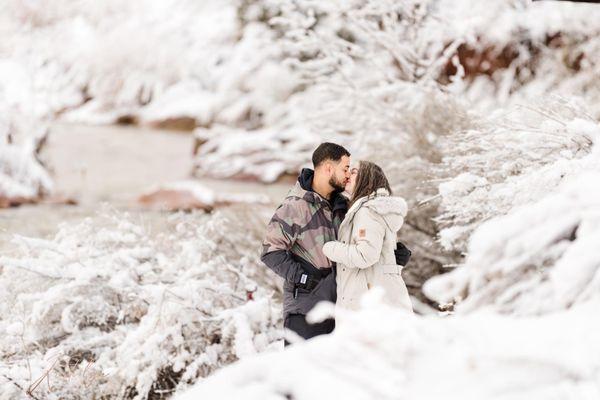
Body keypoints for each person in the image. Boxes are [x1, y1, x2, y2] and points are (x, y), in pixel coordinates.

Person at [261, 142, 351, 344]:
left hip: (341, 309)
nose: (348, 174)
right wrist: (304, 278)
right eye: (344, 168)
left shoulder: (342, 205)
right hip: (305, 311)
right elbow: (270, 251)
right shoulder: (295, 206)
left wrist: (391, 252)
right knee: (300, 374)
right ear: (329, 167)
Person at [322, 161, 413, 312]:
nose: (348, 175)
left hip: (369, 302)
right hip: (381, 297)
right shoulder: (375, 210)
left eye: (354, 172)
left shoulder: (368, 211)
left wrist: (329, 248)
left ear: (367, 178)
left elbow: (365, 255)